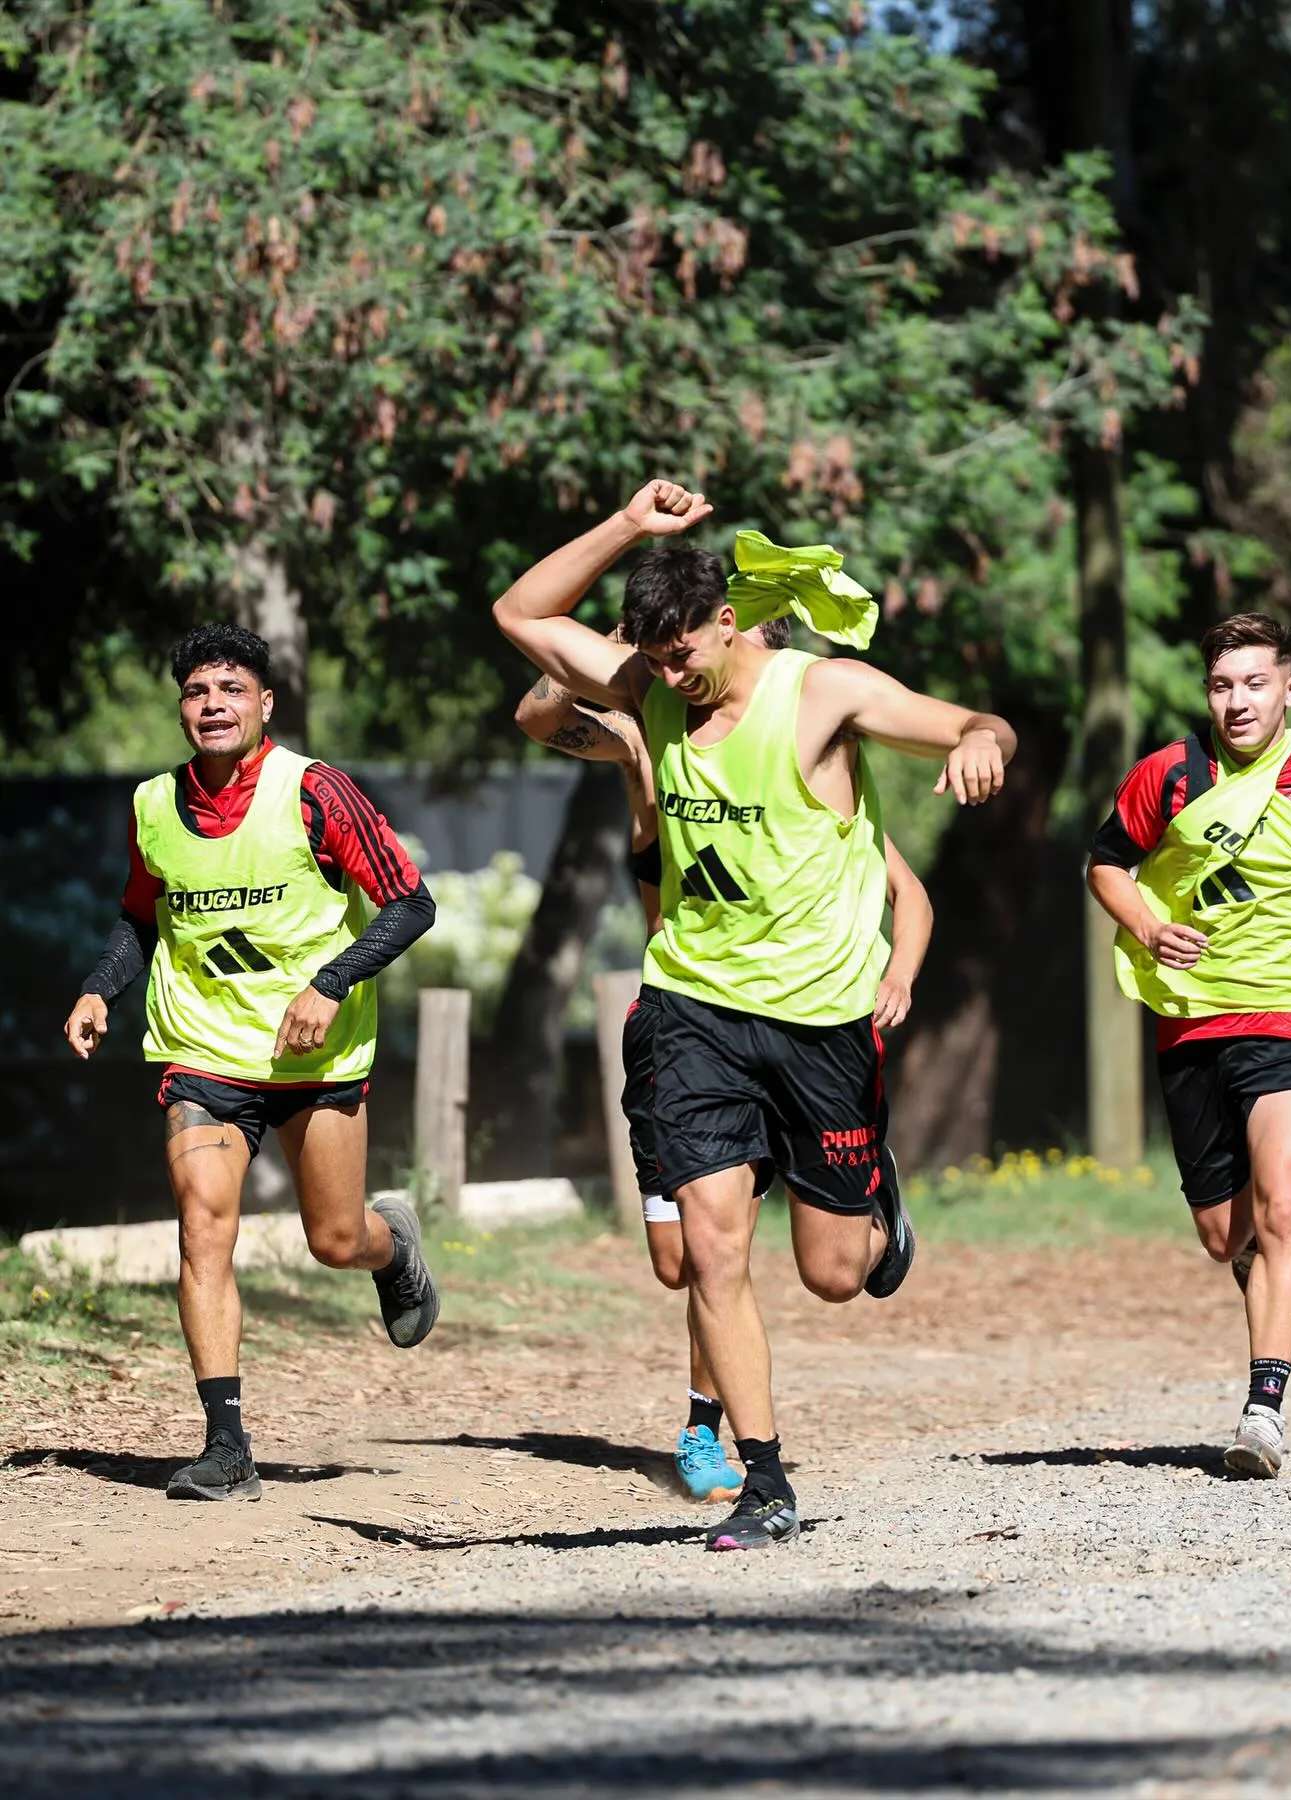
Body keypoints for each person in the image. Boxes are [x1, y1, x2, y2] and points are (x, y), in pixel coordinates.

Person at [494, 478, 1015, 1550]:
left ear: (726, 622)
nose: (672, 675)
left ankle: (877, 1204)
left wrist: (980, 742)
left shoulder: (823, 695)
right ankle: (762, 1478)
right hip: (694, 1005)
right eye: (655, 658)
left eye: (685, 653)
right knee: (713, 1252)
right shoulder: (647, 685)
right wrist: (631, 528)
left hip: (821, 1024)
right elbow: (520, 617)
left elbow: (972, 719)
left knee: (832, 1275)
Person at [515, 621, 934, 1504]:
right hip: (682, 1016)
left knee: (811, 1270)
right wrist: (618, 645)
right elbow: (539, 710)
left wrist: (896, 969)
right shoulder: (647, 731)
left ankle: (710, 1424)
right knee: (685, 1260)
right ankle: (725, 1434)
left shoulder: (802, 772)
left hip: (795, 1022)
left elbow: (906, 890)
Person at [62, 623, 442, 1503]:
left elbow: (410, 902)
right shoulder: (155, 805)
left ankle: (394, 1251)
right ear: (182, 709)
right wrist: (97, 990)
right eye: (197, 692)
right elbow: (141, 920)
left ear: (264, 703)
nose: (212, 706)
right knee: (202, 1227)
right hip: (203, 1053)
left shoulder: (315, 791)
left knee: (334, 1238)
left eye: (231, 689)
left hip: (315, 1055)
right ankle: (227, 1446)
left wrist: (330, 982)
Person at [1087, 612, 1291, 1478]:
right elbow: (1106, 862)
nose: (1238, 701)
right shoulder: (1170, 775)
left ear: (1289, 688)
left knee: (1283, 1208)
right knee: (1227, 1237)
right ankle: (1267, 1290)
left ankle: (1264, 1410)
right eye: (1223, 685)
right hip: (1192, 1023)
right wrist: (1149, 926)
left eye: (1255, 683)